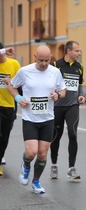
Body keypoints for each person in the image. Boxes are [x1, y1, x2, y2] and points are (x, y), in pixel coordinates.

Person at [8, 45, 66, 194]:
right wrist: (19, 98)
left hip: (47, 118)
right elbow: (11, 86)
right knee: (31, 152)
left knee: (42, 154)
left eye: (47, 60)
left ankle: (36, 181)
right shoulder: (25, 71)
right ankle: (26, 165)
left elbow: (63, 90)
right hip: (30, 118)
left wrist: (58, 95)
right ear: (35, 57)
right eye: (41, 60)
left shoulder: (55, 72)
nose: (44, 63)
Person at [49, 41, 85, 179]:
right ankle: (54, 165)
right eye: (77, 51)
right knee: (56, 136)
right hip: (57, 106)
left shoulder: (79, 67)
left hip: (72, 105)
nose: (79, 53)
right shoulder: (56, 66)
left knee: (72, 133)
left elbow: (80, 84)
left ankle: (72, 167)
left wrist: (81, 95)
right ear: (68, 51)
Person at [0, 43, 20, 176]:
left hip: (9, 106)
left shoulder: (14, 64)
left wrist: (12, 81)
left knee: (4, 136)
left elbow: (22, 82)